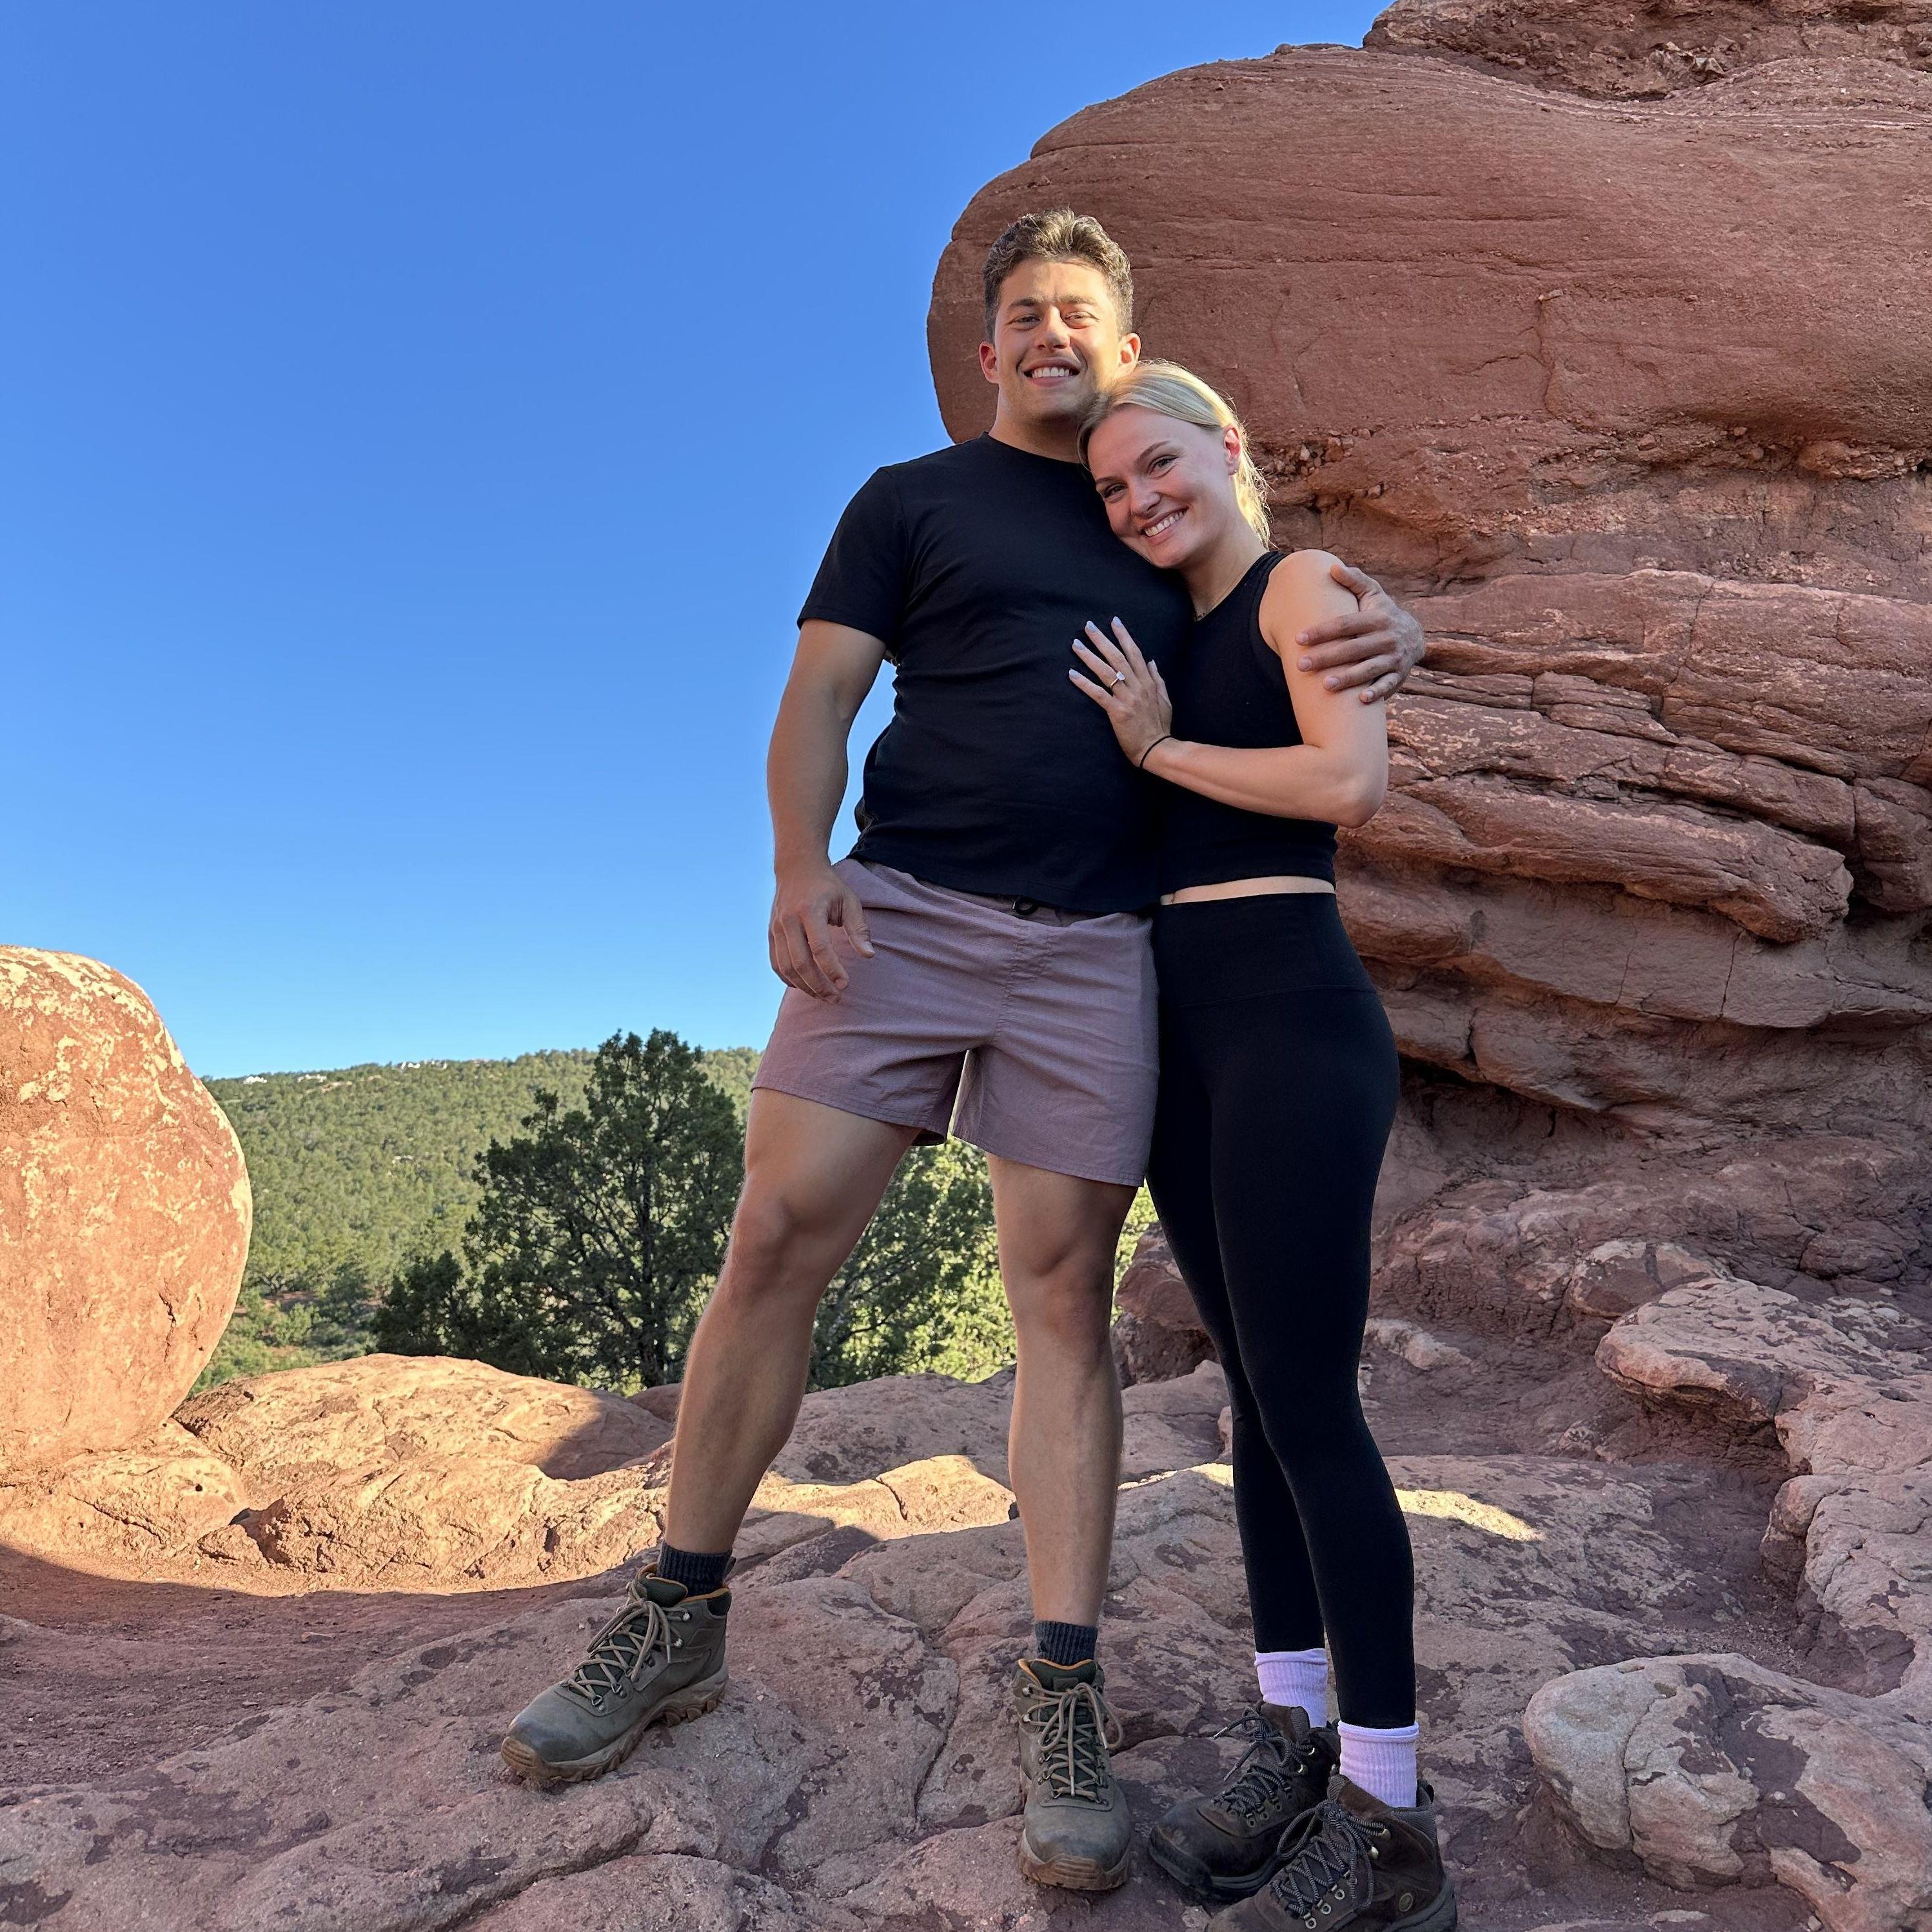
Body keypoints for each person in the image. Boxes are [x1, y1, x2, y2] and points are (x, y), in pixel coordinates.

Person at [499, 212, 1426, 1895]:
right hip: (905, 914)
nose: (1052, 337)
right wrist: (797, 863)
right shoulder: (909, 501)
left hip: (1097, 948)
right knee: (774, 1239)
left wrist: (1390, 632)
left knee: (1061, 1299)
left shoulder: (1149, 509)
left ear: (1125, 344)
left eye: (1081, 312)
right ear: (986, 349)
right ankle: (676, 1612)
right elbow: (819, 700)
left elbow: (1277, 611)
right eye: (1024, 316)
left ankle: (1061, 1691)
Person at [1068, 362, 1454, 1929]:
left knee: (1311, 1401)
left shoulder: (1301, 584)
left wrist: (1159, 753)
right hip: (1186, 1036)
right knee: (1250, 1397)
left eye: (1159, 464)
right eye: (1111, 488)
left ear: (1225, 451)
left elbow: (1347, 781)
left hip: (1292, 1009)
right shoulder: (1161, 625)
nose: (1138, 499)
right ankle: (1296, 1738)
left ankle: (1389, 1814)